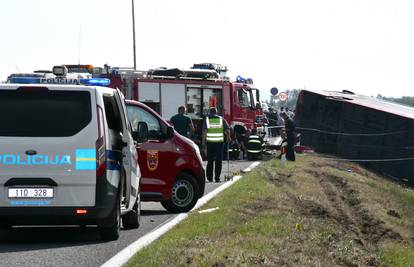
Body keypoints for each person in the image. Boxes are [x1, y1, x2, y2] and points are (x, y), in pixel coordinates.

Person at [202, 107, 230, 182]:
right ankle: (217, 178)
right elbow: (227, 130)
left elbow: (204, 131)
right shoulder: (221, 119)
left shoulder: (207, 119)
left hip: (210, 143)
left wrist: (203, 142)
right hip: (219, 143)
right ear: (216, 112)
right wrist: (228, 137)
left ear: (210, 112)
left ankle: (209, 178)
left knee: (210, 160)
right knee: (218, 161)